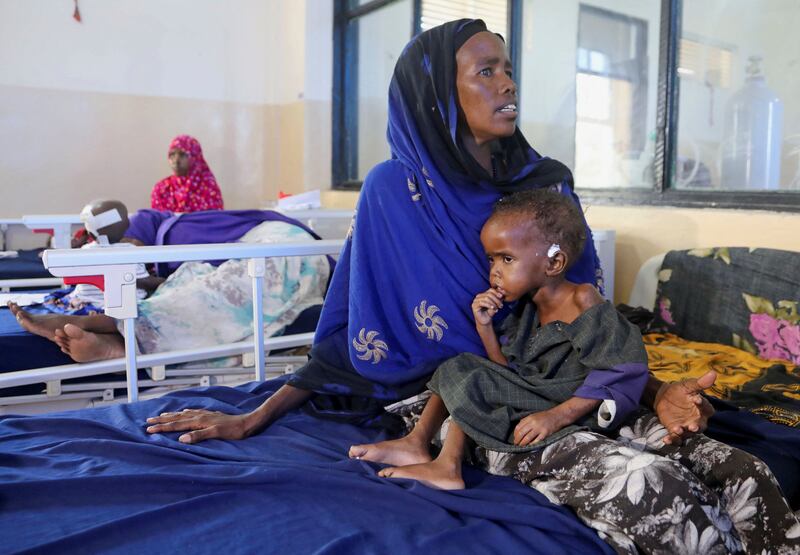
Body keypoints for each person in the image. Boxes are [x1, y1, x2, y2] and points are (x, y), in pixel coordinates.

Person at [143, 20, 798, 551]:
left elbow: (585, 322)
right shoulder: (393, 193)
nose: (508, 83)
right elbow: (346, 337)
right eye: (486, 71)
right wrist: (253, 416)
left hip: (571, 385)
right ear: (438, 96)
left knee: (742, 470)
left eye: (509, 67)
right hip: (463, 401)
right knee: (652, 485)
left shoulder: (545, 187)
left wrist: (658, 393)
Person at [364, 189, 799, 553]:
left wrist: (559, 415)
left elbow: (623, 366)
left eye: (506, 259)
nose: (494, 270)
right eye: (491, 259)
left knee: (463, 371)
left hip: (579, 406)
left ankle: (443, 461)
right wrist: (485, 328)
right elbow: (504, 371)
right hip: (544, 395)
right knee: (464, 368)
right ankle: (422, 446)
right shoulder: (524, 310)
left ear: (553, 262)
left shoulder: (583, 300)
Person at [9, 213, 330, 363]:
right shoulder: (164, 247)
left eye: (127, 241)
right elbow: (186, 278)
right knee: (195, 288)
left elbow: (215, 269)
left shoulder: (175, 229)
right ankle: (115, 342)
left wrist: (147, 277)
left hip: (288, 248)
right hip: (257, 259)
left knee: (219, 291)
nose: (129, 249)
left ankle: (110, 328)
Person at [151, 135, 224, 212]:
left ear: (195, 157)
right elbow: (157, 221)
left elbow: (214, 220)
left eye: (182, 155)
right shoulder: (162, 188)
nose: (176, 161)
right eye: (172, 155)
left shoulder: (208, 187)